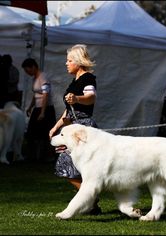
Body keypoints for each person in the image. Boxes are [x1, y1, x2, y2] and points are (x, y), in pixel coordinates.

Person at [49, 44, 101, 214]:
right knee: (69, 166)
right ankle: (91, 200)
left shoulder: (88, 78)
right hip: (74, 127)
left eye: (69, 60)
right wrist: (56, 126)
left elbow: (90, 98)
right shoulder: (75, 81)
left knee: (65, 164)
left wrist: (77, 98)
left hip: (83, 129)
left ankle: (90, 199)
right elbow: (68, 111)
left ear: (78, 62)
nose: (66, 63)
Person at [22, 58, 56, 162]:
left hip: (46, 109)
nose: (27, 73)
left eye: (28, 70)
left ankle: (48, 156)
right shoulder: (34, 79)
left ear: (33, 67)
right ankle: (33, 156)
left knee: (45, 133)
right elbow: (36, 94)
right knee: (32, 133)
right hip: (37, 108)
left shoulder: (43, 77)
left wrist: (42, 112)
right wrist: (30, 107)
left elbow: (45, 95)